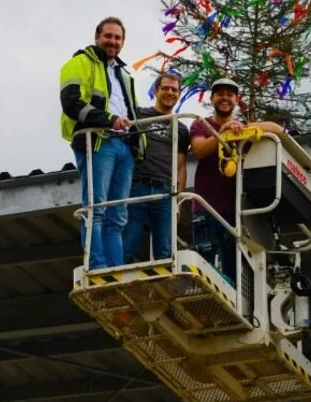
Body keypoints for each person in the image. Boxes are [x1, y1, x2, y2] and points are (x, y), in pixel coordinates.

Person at [59, 17, 139, 270]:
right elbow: (71, 103)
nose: (113, 41)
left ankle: (115, 269)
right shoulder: (79, 63)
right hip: (98, 142)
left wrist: (138, 144)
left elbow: (132, 112)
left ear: (123, 42)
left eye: (118, 38)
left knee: (118, 216)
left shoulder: (125, 75)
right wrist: (109, 120)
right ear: (97, 38)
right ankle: (97, 266)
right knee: (96, 209)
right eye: (108, 36)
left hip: (124, 146)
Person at [189, 78, 284, 286]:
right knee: (204, 267)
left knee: (233, 270)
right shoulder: (201, 124)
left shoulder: (243, 130)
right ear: (212, 98)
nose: (225, 98)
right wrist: (223, 133)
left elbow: (277, 129)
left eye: (230, 95)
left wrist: (244, 128)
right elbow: (200, 149)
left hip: (235, 210)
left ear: (236, 99)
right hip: (206, 208)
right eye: (220, 94)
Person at [123, 73, 190, 263]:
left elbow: (181, 165)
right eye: (165, 88)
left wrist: (178, 201)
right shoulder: (139, 114)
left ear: (179, 94)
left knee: (165, 252)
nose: (170, 92)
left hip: (166, 191)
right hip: (136, 186)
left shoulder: (181, 128)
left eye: (174, 90)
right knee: (127, 244)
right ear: (156, 90)